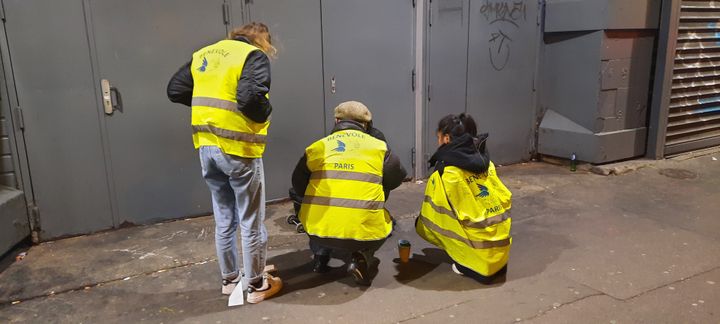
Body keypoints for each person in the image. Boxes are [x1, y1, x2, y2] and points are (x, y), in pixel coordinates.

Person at [166, 22, 282, 303]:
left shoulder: (204, 54)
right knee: (251, 220)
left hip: (207, 147)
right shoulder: (252, 56)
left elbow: (175, 90)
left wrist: (209, 112)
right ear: (262, 41)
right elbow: (251, 97)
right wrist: (265, 113)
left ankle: (230, 280)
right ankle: (255, 284)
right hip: (237, 148)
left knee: (224, 217)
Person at [291, 101, 407, 285]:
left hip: (317, 229)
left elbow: (297, 185)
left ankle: (320, 257)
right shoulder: (380, 148)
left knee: (315, 208)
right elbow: (395, 179)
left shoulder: (317, 147)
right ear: (365, 123)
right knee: (385, 222)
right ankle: (360, 258)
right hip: (364, 229)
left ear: (337, 120)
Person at [415, 113, 512, 284]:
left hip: (479, 266)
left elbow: (433, 213)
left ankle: (464, 261)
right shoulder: (486, 163)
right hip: (500, 256)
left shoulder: (447, 172)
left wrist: (421, 226)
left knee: (428, 220)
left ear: (446, 139)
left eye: (438, 137)